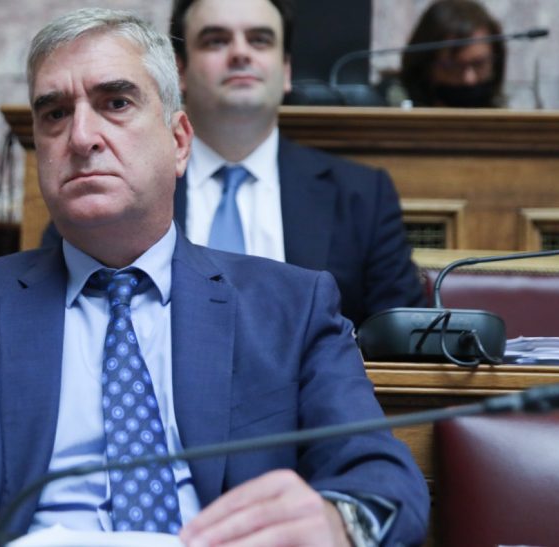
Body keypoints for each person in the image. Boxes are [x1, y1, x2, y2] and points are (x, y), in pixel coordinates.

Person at [0, 8, 429, 546]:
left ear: (179, 141)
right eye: (54, 114)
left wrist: (337, 521)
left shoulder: (290, 305)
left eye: (116, 103)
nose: (81, 137)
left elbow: (384, 481)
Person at [171, 0, 426, 328]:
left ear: (286, 70)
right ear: (180, 70)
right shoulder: (140, 185)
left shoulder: (361, 197)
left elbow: (402, 336)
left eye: (259, 40)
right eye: (216, 41)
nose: (240, 53)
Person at [398, 0, 506, 108]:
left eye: (479, 64)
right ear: (425, 66)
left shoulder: (504, 115)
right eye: (454, 67)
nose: (469, 79)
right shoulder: (395, 108)